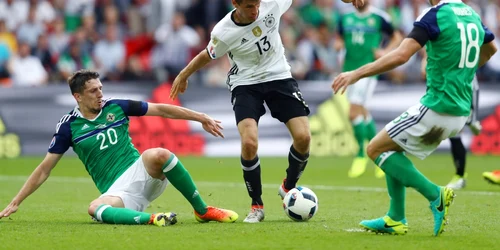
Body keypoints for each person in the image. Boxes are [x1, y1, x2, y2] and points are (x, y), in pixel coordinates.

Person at [332, 0, 496, 236]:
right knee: (392, 148)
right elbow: (490, 50)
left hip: (437, 107)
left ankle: (435, 194)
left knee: (375, 149)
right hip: (460, 111)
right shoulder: (471, 14)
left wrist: (356, 73)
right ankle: (395, 218)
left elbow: (401, 56)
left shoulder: (435, 14)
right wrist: (462, 72)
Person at [0, 70, 238, 226]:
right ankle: (153, 218)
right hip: (118, 193)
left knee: (159, 154)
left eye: (101, 88)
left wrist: (201, 117)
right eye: (93, 91)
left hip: (140, 172)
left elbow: (163, 109)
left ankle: (202, 210)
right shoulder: (69, 127)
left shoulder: (116, 107)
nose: (100, 94)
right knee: (94, 207)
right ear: (78, 97)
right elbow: (44, 169)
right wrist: (17, 200)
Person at [170, 0, 313, 223]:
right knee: (249, 143)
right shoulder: (223, 31)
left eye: (256, 4)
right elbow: (206, 55)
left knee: (304, 138)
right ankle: (256, 205)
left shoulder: (272, 4)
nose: (255, 10)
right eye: (248, 6)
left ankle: (288, 187)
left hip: (279, 77)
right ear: (235, 3)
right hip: (245, 83)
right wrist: (183, 75)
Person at [335, 0, 402, 179]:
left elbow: (397, 37)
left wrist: (385, 52)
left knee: (353, 111)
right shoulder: (345, 17)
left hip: (368, 71)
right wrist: (339, 45)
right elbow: (340, 38)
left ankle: (360, 154)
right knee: (363, 113)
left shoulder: (379, 17)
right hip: (349, 70)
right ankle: (381, 154)